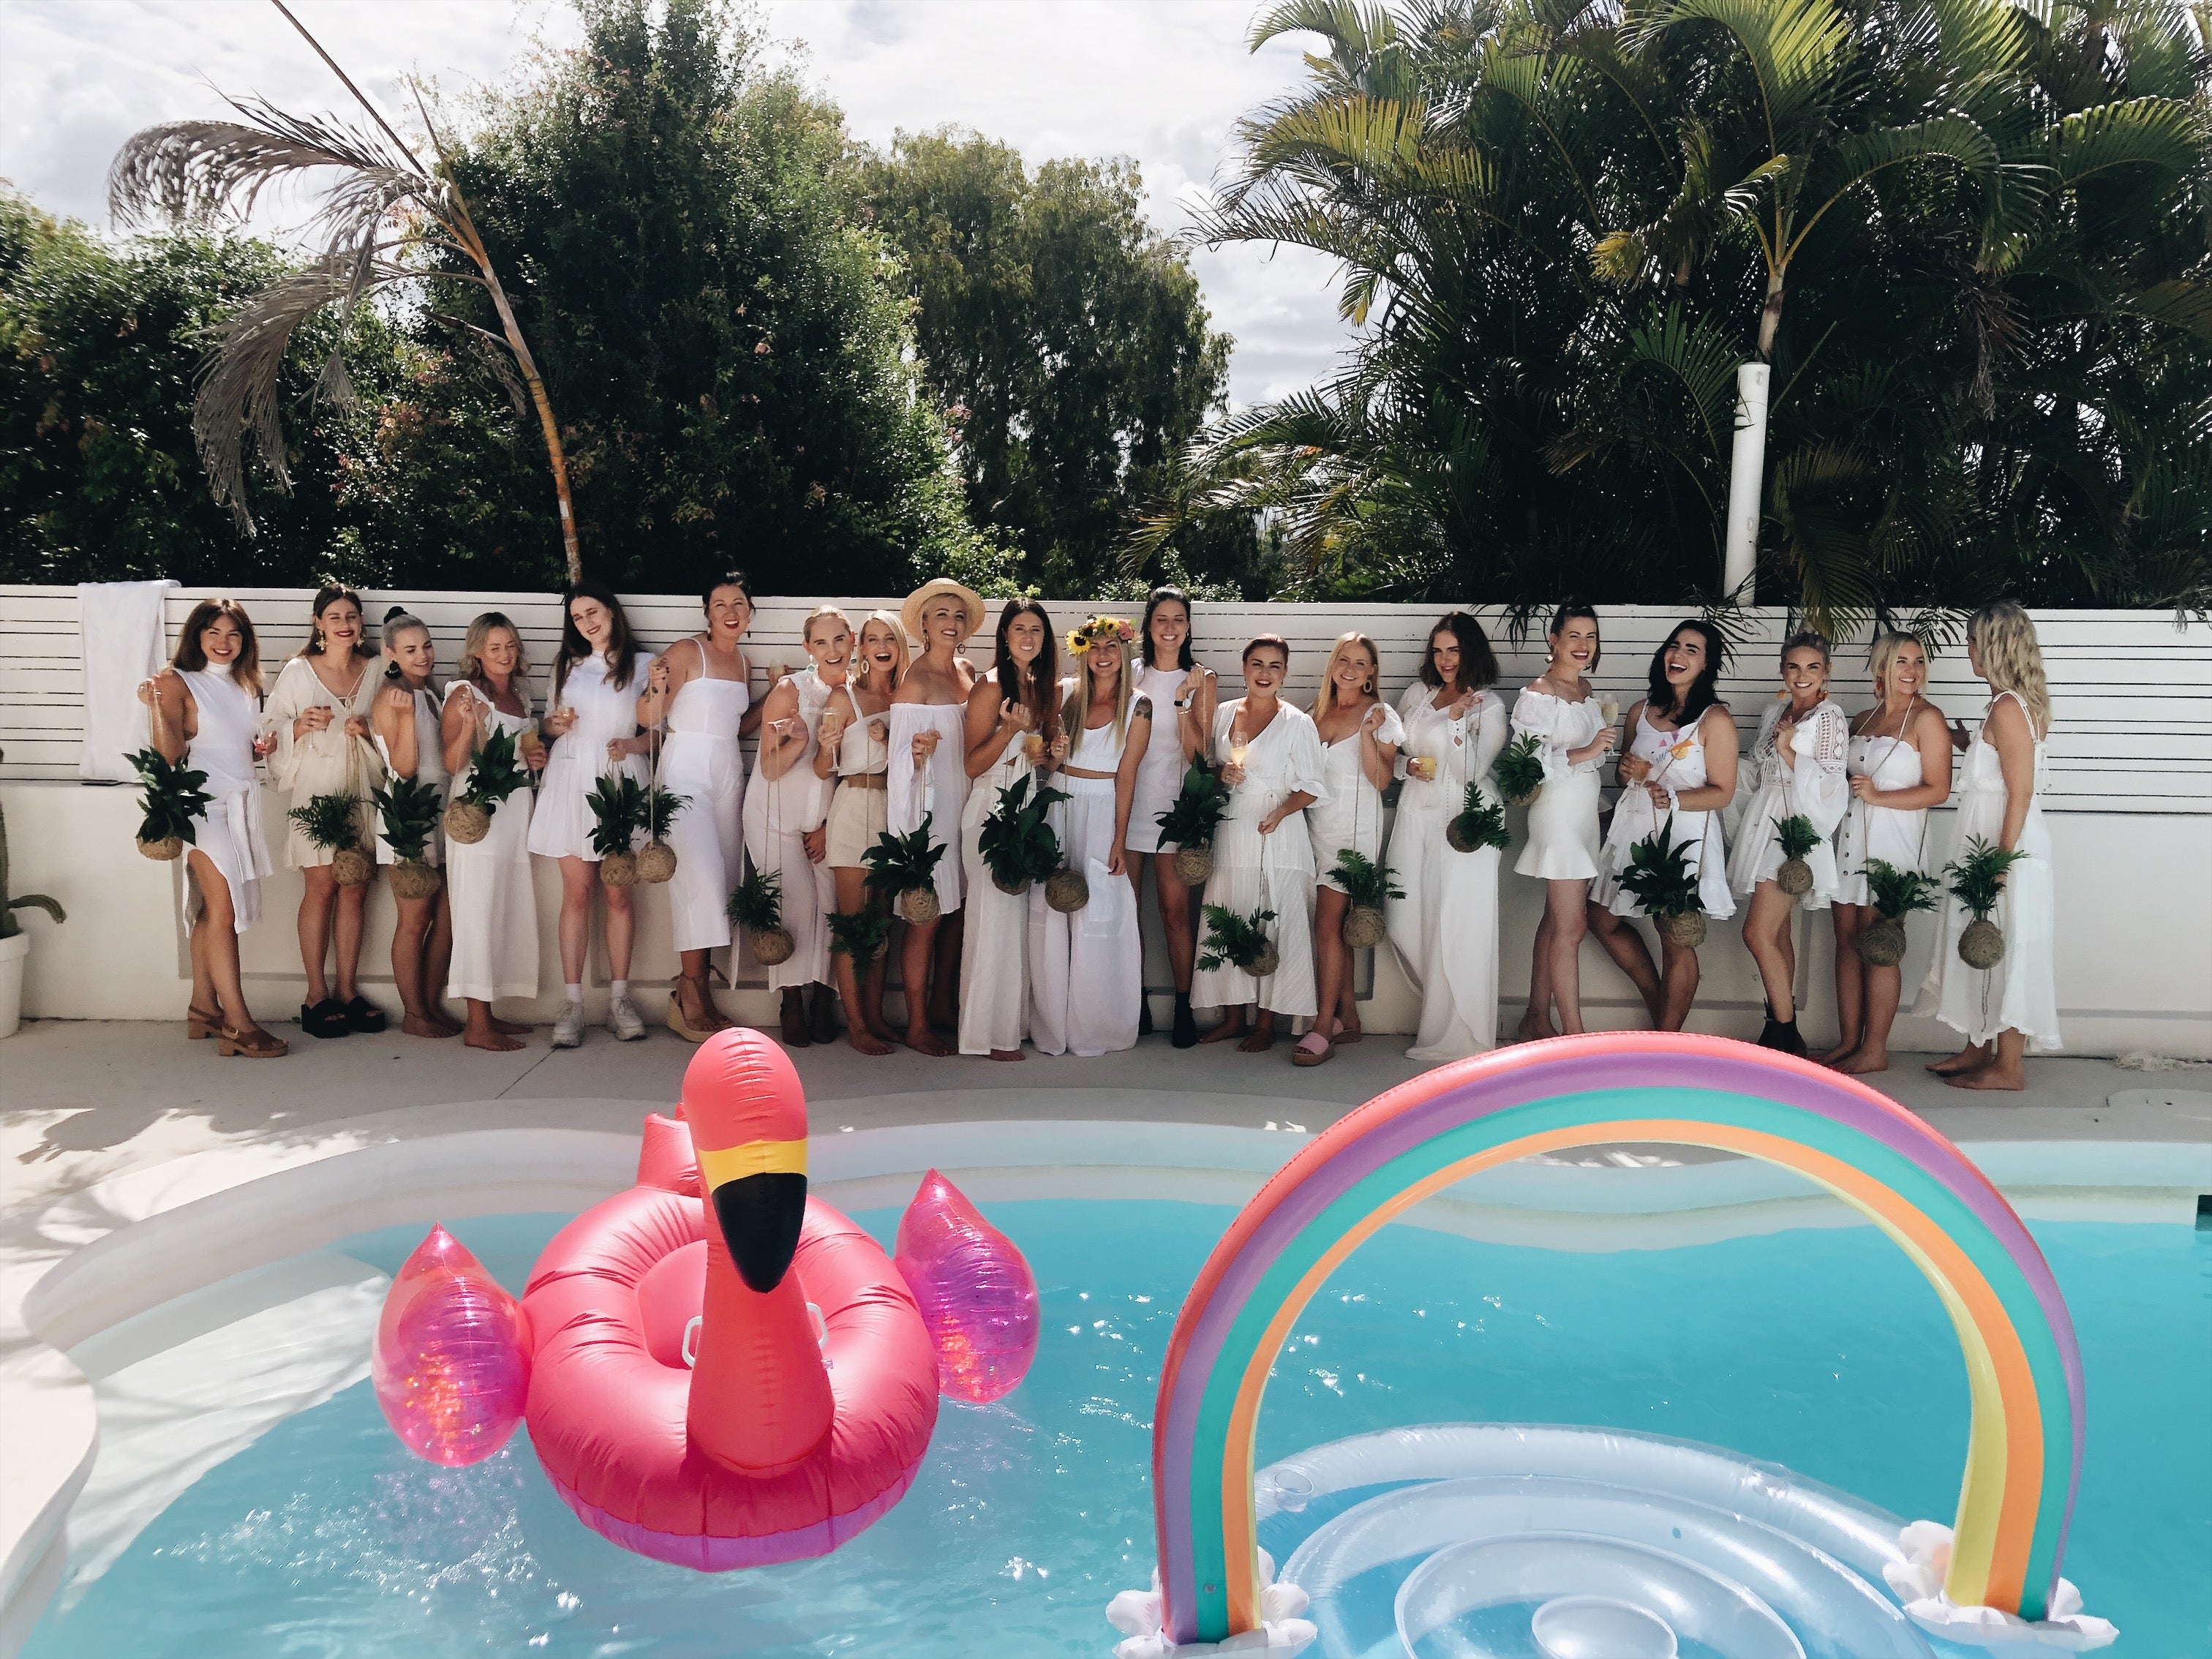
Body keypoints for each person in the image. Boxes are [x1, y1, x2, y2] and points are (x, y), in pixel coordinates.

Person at [1914, 601, 2061, 1089]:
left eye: (1974, 642)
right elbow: (2001, 772)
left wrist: (2001, 859)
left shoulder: (2007, 708)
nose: (1968, 650)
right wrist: (1967, 745)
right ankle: (1977, 1048)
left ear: (1993, 648)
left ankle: (2009, 1066)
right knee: (1981, 940)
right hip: (1991, 840)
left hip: (2007, 846)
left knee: (2008, 943)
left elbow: (2019, 792)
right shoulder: (2006, 706)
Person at [137, 598, 285, 1057]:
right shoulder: (175, 681)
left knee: (211, 909)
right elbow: (169, 756)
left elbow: (234, 747)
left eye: (233, 635)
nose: (223, 643)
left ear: (244, 641)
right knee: (222, 912)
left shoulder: (245, 684)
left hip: (241, 804)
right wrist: (158, 708)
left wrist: (261, 749)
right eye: (214, 633)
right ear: (196, 635)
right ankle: (238, 1024)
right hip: (202, 809)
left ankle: (203, 1008)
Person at [1587, 621, 1739, 1032]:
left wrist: (1668, 794)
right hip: (1633, 833)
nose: (1679, 655)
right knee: (1601, 920)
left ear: (1706, 664)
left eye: (1692, 650)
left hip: (1683, 837)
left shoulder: (1715, 719)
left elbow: (1723, 792)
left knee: (1674, 934)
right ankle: (1661, 1007)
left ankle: (1666, 1041)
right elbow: (1625, 777)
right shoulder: (1640, 711)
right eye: (1675, 646)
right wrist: (1626, 772)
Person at [527, 581, 656, 1047]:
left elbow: (660, 732)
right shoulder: (566, 664)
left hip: (621, 778)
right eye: (578, 617)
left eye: (593, 611)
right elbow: (547, 723)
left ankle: (621, 999)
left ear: (611, 611)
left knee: (619, 894)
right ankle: (573, 1001)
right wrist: (552, 726)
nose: (587, 622)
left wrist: (632, 743)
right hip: (572, 778)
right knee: (576, 894)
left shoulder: (644, 665)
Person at [1821, 631, 1953, 1074]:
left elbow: (1938, 789)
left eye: (1918, 662)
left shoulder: (1927, 719)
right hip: (1852, 838)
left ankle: (1875, 1048)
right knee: (1845, 940)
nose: (1912, 671)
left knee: (1880, 943)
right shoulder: (1862, 718)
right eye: (1901, 661)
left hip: (1894, 840)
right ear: (1882, 667)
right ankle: (1847, 1042)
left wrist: (1879, 799)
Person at [1193, 635, 1328, 1053]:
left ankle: (1267, 1021)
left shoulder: (1298, 723)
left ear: (1285, 673)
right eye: (1257, 664)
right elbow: (1209, 765)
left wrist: (1282, 813)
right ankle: (1234, 1017)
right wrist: (1221, 777)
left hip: (1279, 831)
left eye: (1274, 666)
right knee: (1230, 909)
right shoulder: (1223, 713)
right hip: (1233, 827)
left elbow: (1312, 787)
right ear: (1244, 668)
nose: (1264, 673)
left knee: (1275, 919)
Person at [639, 572, 757, 1043]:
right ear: (707, 612)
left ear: (750, 613)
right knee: (699, 880)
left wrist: (774, 701)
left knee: (723, 880)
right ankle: (688, 992)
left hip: (728, 771)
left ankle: (700, 992)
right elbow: (646, 717)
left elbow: (738, 724)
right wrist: (653, 686)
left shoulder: (745, 663)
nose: (731, 612)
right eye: (720, 604)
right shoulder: (688, 652)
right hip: (686, 770)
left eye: (739, 604)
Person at [265, 584, 385, 1039]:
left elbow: (401, 719)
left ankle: (348, 990)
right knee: (321, 888)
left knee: (355, 889)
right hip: (316, 790)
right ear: (319, 623)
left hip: (363, 790)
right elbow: (269, 727)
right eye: (334, 616)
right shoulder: (299, 671)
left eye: (351, 615)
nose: (344, 623)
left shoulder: (376, 668)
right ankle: (315, 994)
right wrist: (298, 725)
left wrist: (369, 728)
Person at [1386, 612, 1507, 1063]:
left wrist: (1457, 724)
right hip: (1416, 813)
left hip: (1466, 824)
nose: (1444, 659)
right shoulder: (1419, 695)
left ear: (1471, 650)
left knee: (1459, 926)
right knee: (1402, 915)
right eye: (1437, 650)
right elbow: (1394, 749)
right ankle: (1438, 1012)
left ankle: (1462, 1034)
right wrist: (1404, 767)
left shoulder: (1490, 707)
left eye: (1453, 649)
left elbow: (1472, 772)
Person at [1030, 615, 1149, 1057]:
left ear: (1123, 653)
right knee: (1053, 904)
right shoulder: (1066, 695)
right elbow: (1044, 763)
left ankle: (1096, 1025)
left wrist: (1119, 839)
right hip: (1060, 801)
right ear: (1084, 653)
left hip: (1103, 807)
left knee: (1097, 910)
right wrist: (1053, 759)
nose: (1103, 655)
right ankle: (1051, 1025)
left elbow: (1128, 776)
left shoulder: (1138, 706)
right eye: (1095, 647)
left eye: (1111, 647)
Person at [1726, 630, 1850, 1055]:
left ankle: (1782, 1029)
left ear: (1826, 672)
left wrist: (1789, 749)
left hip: (1797, 826)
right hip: (1764, 821)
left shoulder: (1830, 716)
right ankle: (1781, 1030)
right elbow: (1757, 771)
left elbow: (1834, 781)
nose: (1802, 676)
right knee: (1776, 934)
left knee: (1756, 932)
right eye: (1794, 667)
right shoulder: (1774, 711)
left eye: (1812, 667)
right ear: (1783, 670)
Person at [958, 599, 1059, 1061]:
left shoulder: (1041, 688)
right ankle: (983, 1035)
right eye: (1020, 628)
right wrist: (1006, 730)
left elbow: (1039, 758)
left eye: (1036, 629)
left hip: (1023, 807)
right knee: (990, 922)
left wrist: (1048, 755)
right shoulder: (990, 687)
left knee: (1014, 925)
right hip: (989, 812)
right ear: (1004, 635)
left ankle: (1009, 1027)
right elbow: (973, 764)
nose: (1028, 637)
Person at [1294, 631, 1402, 1066]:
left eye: (1361, 663)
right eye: (1345, 659)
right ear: (1333, 663)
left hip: (1354, 832)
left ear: (1372, 671)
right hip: (1315, 827)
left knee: (1327, 925)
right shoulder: (1313, 714)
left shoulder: (1380, 714)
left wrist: (1366, 737)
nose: (1351, 669)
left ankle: (1323, 1023)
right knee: (1336, 927)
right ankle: (1350, 1017)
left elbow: (1381, 781)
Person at [887, 579, 982, 1056]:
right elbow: (899, 758)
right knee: (925, 917)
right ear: (924, 624)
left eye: (959, 615)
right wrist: (916, 753)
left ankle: (943, 1003)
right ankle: (918, 1023)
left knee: (956, 913)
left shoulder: (967, 671)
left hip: (966, 804)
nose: (951, 622)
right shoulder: (916, 680)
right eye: (942, 614)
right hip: (929, 811)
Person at [440, 612, 543, 1053]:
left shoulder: (521, 696)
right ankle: (476, 1024)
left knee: (505, 907)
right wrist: (467, 723)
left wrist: (537, 759)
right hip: (478, 815)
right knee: (477, 911)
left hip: (514, 811)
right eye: (495, 647)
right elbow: (452, 763)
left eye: (511, 646)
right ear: (477, 652)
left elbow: (525, 751)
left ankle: (491, 1011)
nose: (505, 654)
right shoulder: (463, 694)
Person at [1512, 604, 1617, 1039]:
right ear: (1553, 639)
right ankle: (1576, 1037)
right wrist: (1588, 752)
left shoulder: (1588, 690)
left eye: (1590, 636)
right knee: (1572, 925)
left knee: (1555, 920)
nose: (1582, 645)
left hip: (1584, 814)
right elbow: (1526, 761)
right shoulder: (1538, 693)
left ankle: (1536, 1017)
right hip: (1556, 813)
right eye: (1573, 635)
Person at [747, 606, 846, 1047]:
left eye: (839, 640)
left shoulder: (860, 693)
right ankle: (791, 1002)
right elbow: (769, 769)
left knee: (831, 905)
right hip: (773, 816)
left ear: (853, 641)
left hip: (826, 821)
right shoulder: (790, 692)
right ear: (808, 648)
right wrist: (800, 740)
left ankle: (826, 1000)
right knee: (795, 905)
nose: (831, 650)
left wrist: (829, 826)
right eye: (821, 642)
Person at [1124, 587, 1216, 1046]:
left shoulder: (1201, 677)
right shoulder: (1129, 671)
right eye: (1161, 618)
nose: (1170, 627)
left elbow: (1200, 754)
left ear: (1188, 626)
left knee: (1175, 911)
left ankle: (1184, 1006)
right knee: (1127, 912)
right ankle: (1133, 1003)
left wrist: (1183, 701)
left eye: (1178, 619)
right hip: (1125, 803)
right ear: (1148, 624)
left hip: (1173, 808)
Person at [819, 611, 906, 1055]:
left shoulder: (909, 697)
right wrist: (828, 746)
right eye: (872, 639)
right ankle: (855, 1024)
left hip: (894, 810)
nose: (881, 645)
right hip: (852, 805)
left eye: (888, 637)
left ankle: (875, 1017)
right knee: (852, 924)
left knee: (881, 921)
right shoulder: (843, 696)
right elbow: (820, 768)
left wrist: (894, 742)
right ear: (861, 647)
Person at [369, 608, 457, 1040]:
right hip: (408, 813)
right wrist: (404, 720)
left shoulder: (431, 692)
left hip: (440, 812)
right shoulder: (393, 696)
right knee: (414, 918)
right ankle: (414, 1012)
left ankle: (430, 1004)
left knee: (444, 916)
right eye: (410, 649)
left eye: (426, 646)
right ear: (391, 654)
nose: (422, 655)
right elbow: (403, 768)